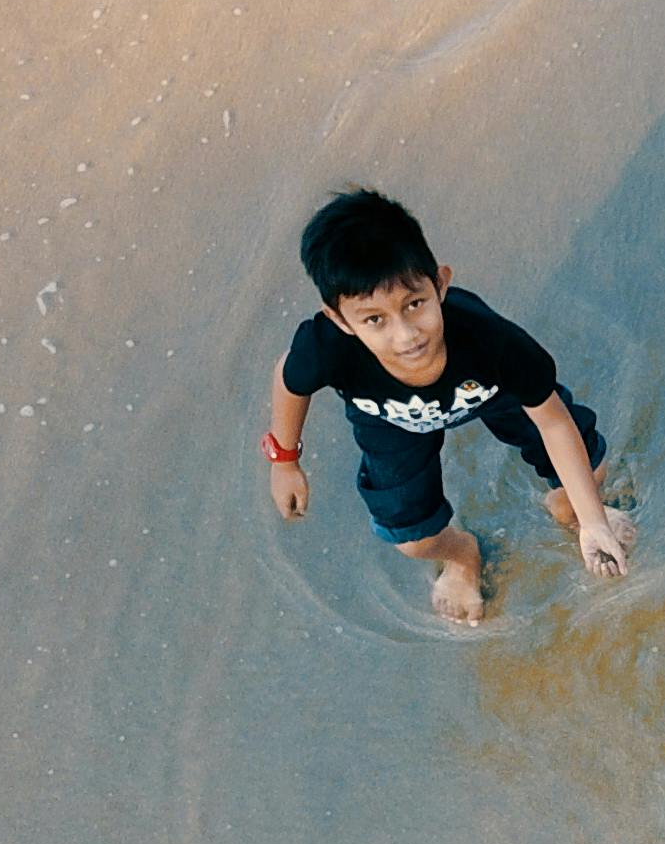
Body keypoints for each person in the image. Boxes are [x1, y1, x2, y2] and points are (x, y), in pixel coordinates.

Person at [261, 189, 630, 622]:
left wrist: (592, 521)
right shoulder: (325, 348)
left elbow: (552, 423)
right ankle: (462, 556)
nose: (406, 335)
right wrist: (284, 461)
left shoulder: (493, 341)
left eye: (415, 304)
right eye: (374, 319)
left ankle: (572, 512)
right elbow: (289, 377)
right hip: (391, 417)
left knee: (591, 470)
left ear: (440, 283)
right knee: (413, 539)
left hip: (488, 389)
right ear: (340, 320)